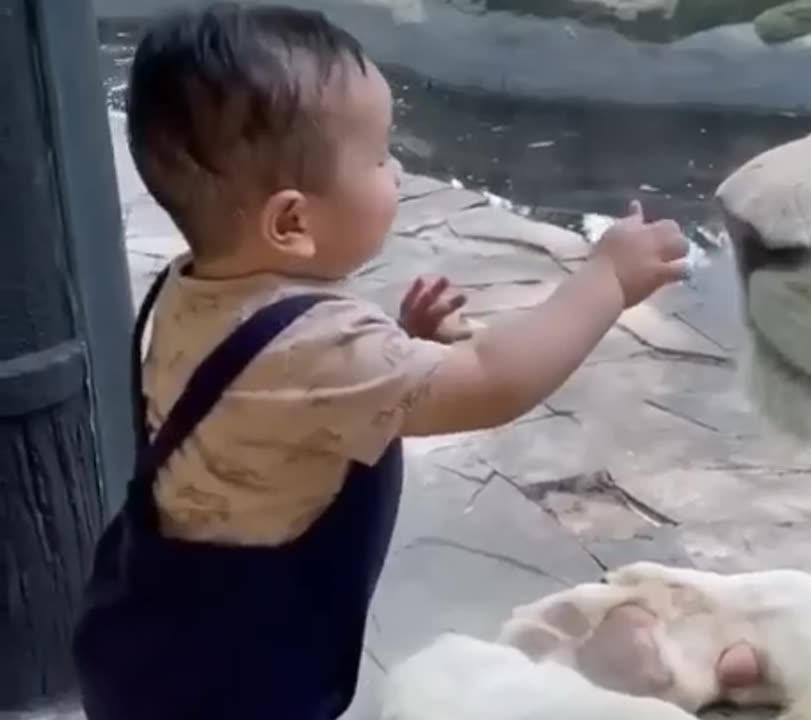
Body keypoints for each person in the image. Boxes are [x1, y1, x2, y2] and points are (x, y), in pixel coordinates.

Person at [71, 3, 689, 719]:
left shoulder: (193, 287)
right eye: (380, 156)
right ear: (293, 223)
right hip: (239, 682)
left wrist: (400, 341)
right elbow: (491, 380)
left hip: (156, 634)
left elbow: (284, 398)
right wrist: (605, 280)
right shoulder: (323, 351)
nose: (396, 169)